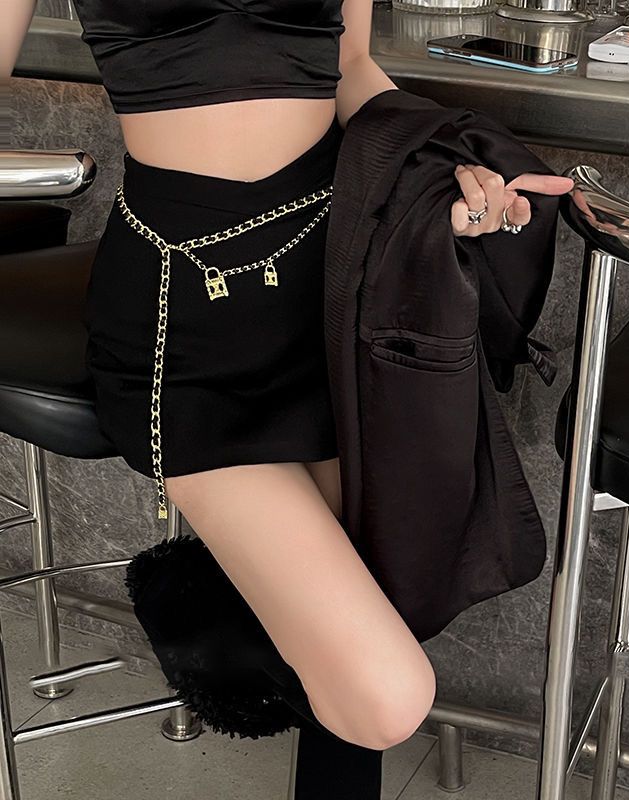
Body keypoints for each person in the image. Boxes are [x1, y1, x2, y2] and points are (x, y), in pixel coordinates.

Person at [3, 1, 574, 796]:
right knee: (384, 696)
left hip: (328, 291)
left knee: (376, 591)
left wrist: (449, 162)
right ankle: (200, 617)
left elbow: (350, 68)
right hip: (180, 317)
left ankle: (233, 607)